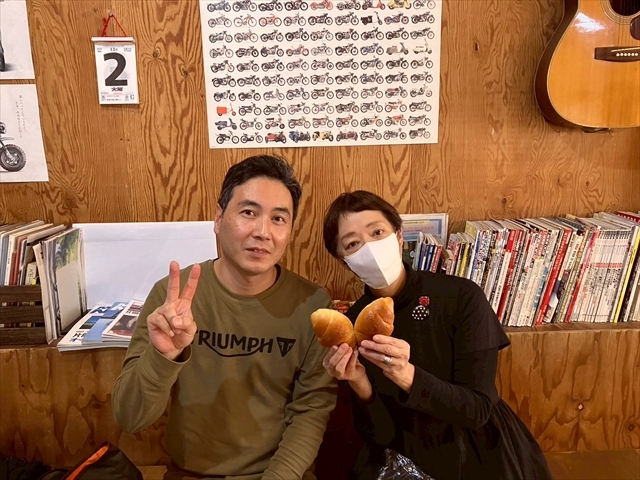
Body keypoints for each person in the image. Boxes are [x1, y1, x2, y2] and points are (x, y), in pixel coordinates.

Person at [112, 155, 337, 480]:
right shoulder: (172, 299)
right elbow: (129, 418)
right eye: (249, 213)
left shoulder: (313, 306)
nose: (263, 232)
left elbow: (310, 412)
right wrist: (163, 356)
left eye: (278, 219)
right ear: (218, 218)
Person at [321, 191, 552, 480]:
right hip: (405, 456)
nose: (370, 248)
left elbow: (477, 411)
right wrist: (359, 381)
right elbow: (382, 435)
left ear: (399, 236)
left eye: (377, 232)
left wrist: (406, 374)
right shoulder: (355, 324)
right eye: (353, 244)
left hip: (480, 451)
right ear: (345, 262)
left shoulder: (461, 296)